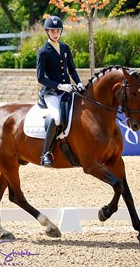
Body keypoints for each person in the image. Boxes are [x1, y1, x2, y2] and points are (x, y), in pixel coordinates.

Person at [37, 15, 84, 166]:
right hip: (51, 92)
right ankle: (46, 154)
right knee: (56, 117)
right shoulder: (43, 51)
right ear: (47, 32)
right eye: (52, 31)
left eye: (58, 30)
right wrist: (59, 86)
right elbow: (40, 78)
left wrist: (79, 82)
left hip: (68, 90)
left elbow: (72, 69)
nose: (55, 33)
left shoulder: (65, 48)